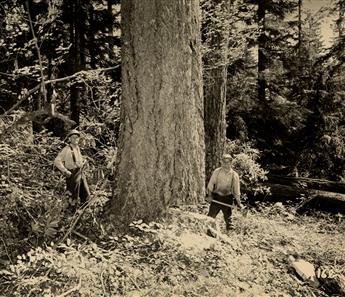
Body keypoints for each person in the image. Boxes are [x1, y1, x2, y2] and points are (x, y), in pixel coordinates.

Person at [206, 153, 244, 230]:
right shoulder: (217, 172)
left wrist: (239, 204)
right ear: (221, 162)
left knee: (229, 221)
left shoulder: (234, 175)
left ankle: (229, 236)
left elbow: (236, 192)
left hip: (227, 199)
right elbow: (211, 184)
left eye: (228, 162)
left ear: (231, 162)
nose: (226, 164)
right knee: (210, 218)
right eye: (224, 162)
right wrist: (209, 196)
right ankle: (207, 233)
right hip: (216, 198)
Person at [54, 129, 90, 208]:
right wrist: (65, 171)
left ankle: (85, 210)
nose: (76, 139)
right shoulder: (66, 149)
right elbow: (57, 161)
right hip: (72, 174)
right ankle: (72, 212)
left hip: (80, 172)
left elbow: (78, 160)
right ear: (70, 139)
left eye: (77, 137)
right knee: (73, 195)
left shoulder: (77, 148)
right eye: (73, 137)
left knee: (85, 192)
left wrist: (83, 162)